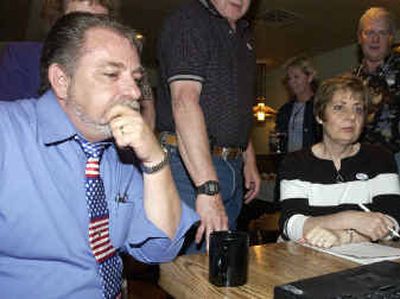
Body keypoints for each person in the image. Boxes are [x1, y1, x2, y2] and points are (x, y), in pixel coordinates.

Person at [0, 12, 198, 298]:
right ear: (62, 80)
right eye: (111, 74)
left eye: (136, 78)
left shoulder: (123, 154)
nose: (133, 91)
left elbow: (160, 248)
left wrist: (155, 160)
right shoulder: (7, 132)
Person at [156, 0, 260, 253]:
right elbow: (184, 102)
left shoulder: (243, 34)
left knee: (222, 267)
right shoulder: (190, 19)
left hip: (231, 166)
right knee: (197, 271)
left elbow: (236, 107)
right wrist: (207, 187)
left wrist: (249, 159)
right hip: (192, 169)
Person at [279, 75, 400, 248]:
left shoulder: (380, 158)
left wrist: (344, 237)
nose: (351, 116)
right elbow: (290, 226)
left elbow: (393, 223)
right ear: (320, 116)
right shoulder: (295, 162)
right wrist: (350, 218)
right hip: (304, 260)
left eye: (358, 109)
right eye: (339, 108)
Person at [0, 0, 156, 129]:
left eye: (101, 22)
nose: (91, 31)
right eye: (78, 21)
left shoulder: (125, 73)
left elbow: (144, 122)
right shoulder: (21, 56)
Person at [353, 7, 400, 171]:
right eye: (369, 32)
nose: (375, 39)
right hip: (358, 163)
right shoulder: (351, 81)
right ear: (360, 38)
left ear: (390, 38)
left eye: (381, 33)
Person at [275, 55, 320, 154]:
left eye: (296, 77)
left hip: (313, 163)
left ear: (310, 77)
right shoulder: (284, 111)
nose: (292, 82)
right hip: (290, 164)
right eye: (289, 78)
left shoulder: (320, 106)